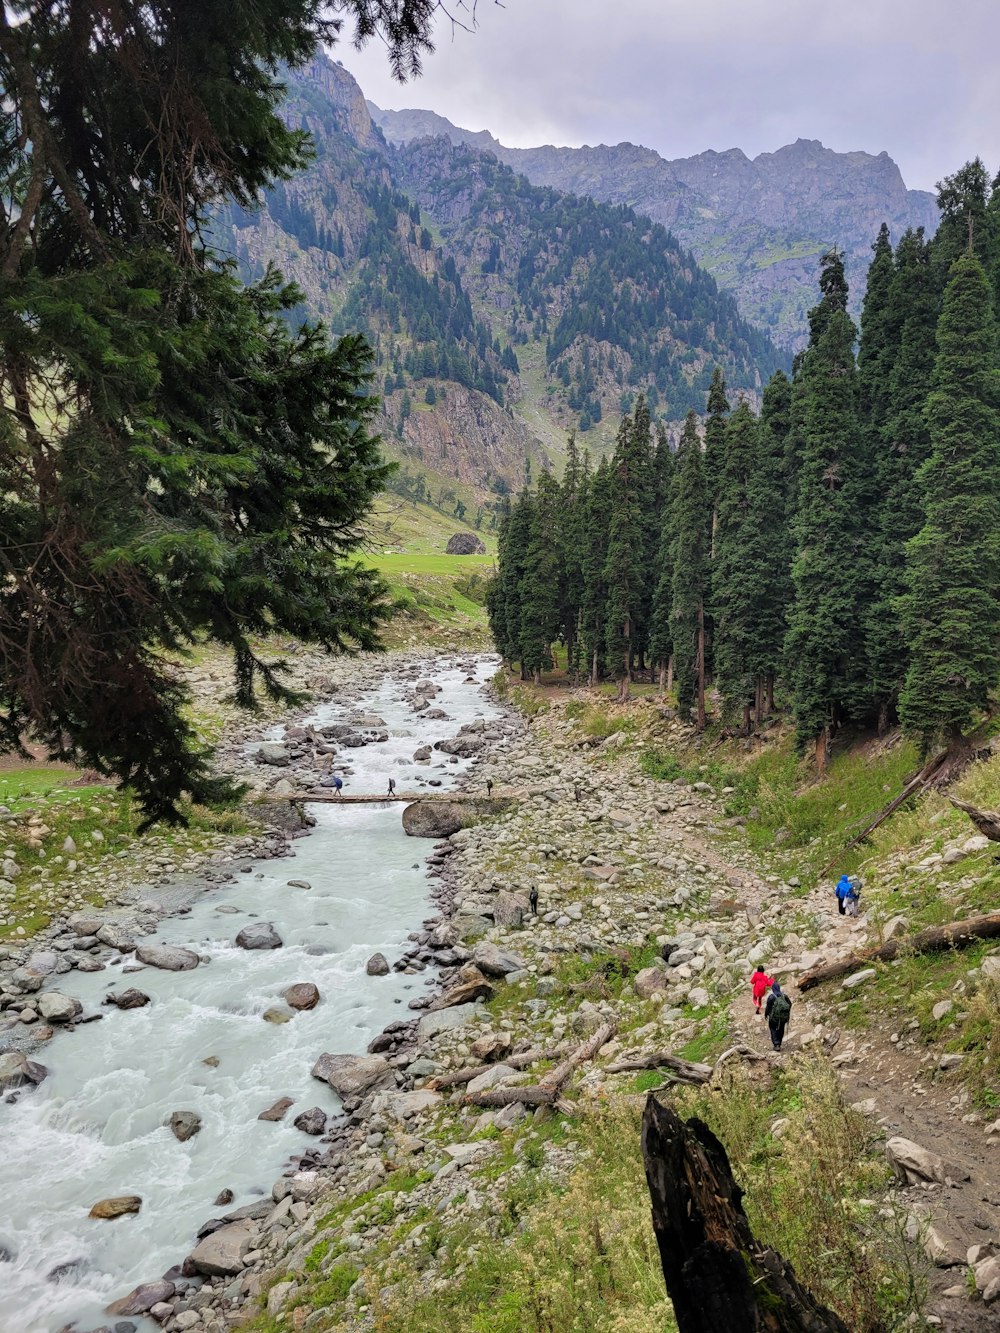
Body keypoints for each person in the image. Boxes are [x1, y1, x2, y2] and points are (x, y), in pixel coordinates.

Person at [765, 982, 791, 1051]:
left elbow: (768, 1007)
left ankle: (776, 1044)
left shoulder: (771, 997)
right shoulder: (784, 996)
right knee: (781, 1029)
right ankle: (779, 1043)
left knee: (773, 1029)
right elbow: (789, 1004)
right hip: (783, 1018)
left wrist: (766, 1014)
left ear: (773, 988)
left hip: (774, 1018)